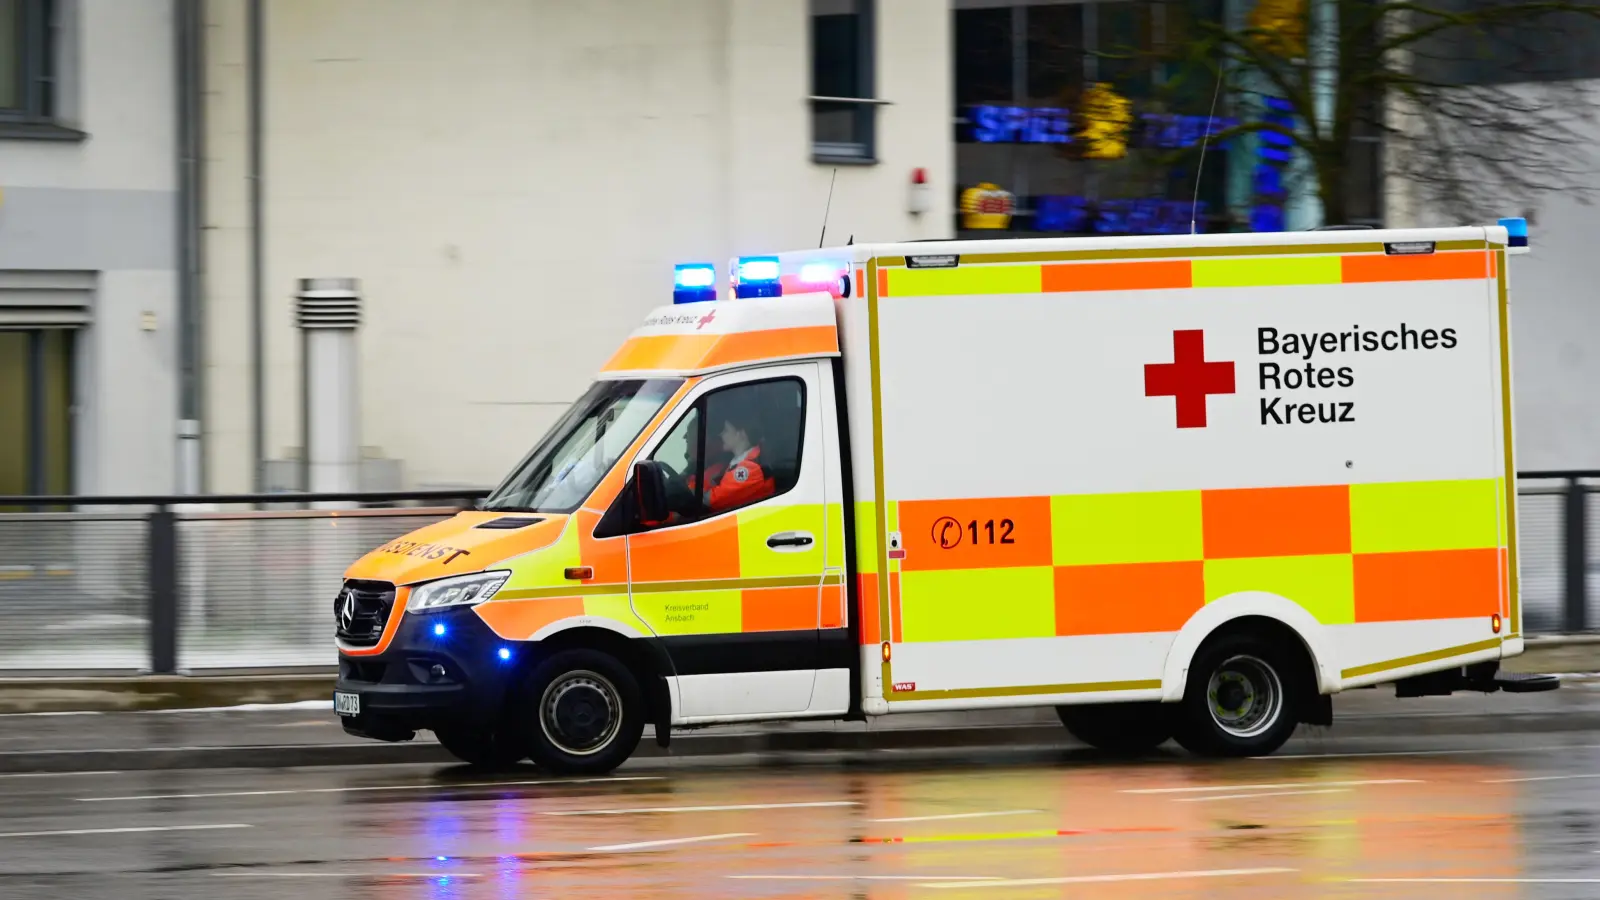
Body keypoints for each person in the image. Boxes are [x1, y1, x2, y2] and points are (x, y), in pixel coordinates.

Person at [697, 413, 774, 513]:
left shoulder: (751, 468)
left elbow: (713, 500)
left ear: (741, 434)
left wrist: (693, 498)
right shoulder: (741, 461)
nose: (721, 435)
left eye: (726, 430)